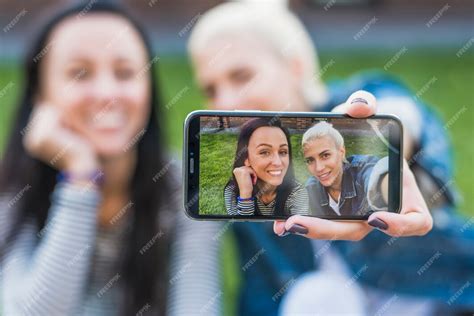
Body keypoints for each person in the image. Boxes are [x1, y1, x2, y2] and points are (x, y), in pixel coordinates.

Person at [188, 2, 473, 315]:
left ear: (294, 66)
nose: (226, 101)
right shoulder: (250, 178)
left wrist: (377, 144)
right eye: (211, 89)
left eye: (242, 76)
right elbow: (261, 296)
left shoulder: (351, 102)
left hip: (441, 301)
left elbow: (401, 112)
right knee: (317, 295)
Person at [0, 3, 221, 315]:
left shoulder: (184, 185)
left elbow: (198, 307)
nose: (106, 93)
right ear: (40, 94)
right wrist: (80, 177)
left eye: (125, 72)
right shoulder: (12, 192)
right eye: (80, 73)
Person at [224, 117, 308, 216]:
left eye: (283, 152)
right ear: (246, 158)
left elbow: (299, 231)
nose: (278, 162)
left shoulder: (297, 192)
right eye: (264, 152)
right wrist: (245, 195)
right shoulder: (233, 191)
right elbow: (243, 230)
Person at [302, 121, 388, 217]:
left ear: (341, 152)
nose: (318, 168)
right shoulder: (312, 188)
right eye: (310, 160)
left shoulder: (361, 168)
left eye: (325, 155)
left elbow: (377, 177)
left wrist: (389, 187)